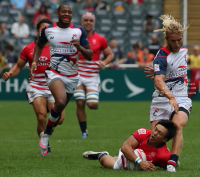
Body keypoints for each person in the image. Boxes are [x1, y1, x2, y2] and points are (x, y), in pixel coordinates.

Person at [30, 3, 93, 153]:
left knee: (58, 111)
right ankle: (46, 135)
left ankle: (47, 132)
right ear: (57, 13)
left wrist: (79, 47)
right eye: (63, 12)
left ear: (72, 14)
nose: (66, 14)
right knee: (60, 101)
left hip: (72, 77)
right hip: (54, 73)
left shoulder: (79, 30)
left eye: (69, 12)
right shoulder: (48, 30)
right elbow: (39, 45)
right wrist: (34, 61)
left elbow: (89, 55)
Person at [2, 19, 65, 156]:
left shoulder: (58, 47)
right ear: (37, 31)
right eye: (43, 28)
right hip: (36, 86)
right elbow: (18, 67)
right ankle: (44, 143)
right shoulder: (29, 48)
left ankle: (46, 134)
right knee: (41, 116)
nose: (45, 31)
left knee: (59, 119)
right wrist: (10, 73)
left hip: (54, 86)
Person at [145, 14, 192, 172]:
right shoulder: (161, 56)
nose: (177, 44)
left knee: (177, 125)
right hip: (161, 99)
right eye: (173, 41)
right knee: (156, 140)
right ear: (166, 38)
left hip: (182, 98)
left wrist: (164, 73)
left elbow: (172, 70)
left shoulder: (184, 51)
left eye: (179, 40)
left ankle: (173, 161)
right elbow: (158, 82)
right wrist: (169, 94)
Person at [74, 12, 114, 138]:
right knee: (80, 102)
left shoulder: (100, 39)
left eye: (90, 20)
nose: (88, 22)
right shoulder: (76, 37)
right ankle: (84, 131)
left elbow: (111, 55)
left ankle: (92, 99)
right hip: (78, 74)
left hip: (92, 76)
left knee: (92, 105)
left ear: (94, 22)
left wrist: (105, 62)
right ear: (82, 21)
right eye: (86, 20)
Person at [83, 120, 177, 171]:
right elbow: (125, 147)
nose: (154, 133)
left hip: (137, 164)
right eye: (155, 129)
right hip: (128, 154)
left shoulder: (163, 155)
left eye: (159, 133)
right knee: (109, 164)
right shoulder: (143, 132)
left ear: (165, 139)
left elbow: (166, 165)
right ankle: (101, 155)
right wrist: (140, 162)